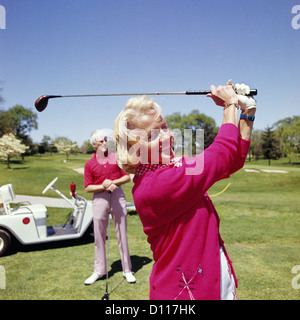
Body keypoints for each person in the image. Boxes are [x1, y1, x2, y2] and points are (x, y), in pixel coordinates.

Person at [113, 81, 256, 299]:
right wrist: (230, 106)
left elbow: (232, 161)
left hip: (213, 281)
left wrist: (247, 113)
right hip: (184, 293)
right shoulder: (156, 186)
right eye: (152, 135)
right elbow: (221, 154)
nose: (167, 136)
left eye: (164, 127)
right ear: (134, 151)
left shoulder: (174, 168)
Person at [84, 129, 136, 285]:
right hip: (99, 198)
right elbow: (88, 188)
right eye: (101, 141)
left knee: (122, 233)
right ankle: (99, 271)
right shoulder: (89, 164)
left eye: (106, 140)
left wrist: (113, 183)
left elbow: (127, 177)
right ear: (94, 145)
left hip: (117, 196)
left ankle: (127, 270)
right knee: (99, 236)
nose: (105, 143)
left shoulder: (116, 158)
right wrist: (103, 185)